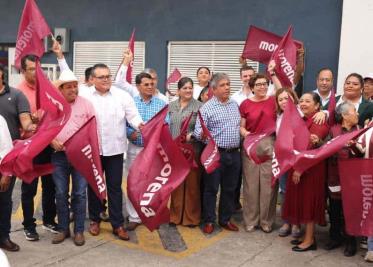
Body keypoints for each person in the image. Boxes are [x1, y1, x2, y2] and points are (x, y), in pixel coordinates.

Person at [80, 63, 143, 241]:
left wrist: (141, 125)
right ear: (92, 79)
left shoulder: (122, 96)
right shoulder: (84, 96)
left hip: (115, 150)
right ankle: (95, 219)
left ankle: (117, 224)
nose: (107, 79)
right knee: (95, 186)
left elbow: (133, 116)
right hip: (93, 150)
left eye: (108, 76)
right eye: (102, 77)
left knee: (114, 188)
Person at [50, 69, 96, 246]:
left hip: (81, 156)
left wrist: (91, 153)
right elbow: (45, 130)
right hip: (59, 156)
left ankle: (78, 231)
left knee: (79, 194)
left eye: (75, 86)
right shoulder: (53, 105)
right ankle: (63, 229)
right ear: (60, 89)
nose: (73, 90)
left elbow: (93, 130)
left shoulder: (86, 104)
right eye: (68, 87)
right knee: (61, 193)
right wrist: (52, 141)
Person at [193, 73, 241, 234]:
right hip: (215, 154)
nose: (227, 87)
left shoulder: (235, 104)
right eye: (223, 85)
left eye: (228, 84)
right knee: (211, 188)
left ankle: (225, 219)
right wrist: (203, 135)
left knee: (230, 188)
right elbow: (199, 132)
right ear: (213, 89)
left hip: (234, 154)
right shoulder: (206, 108)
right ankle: (209, 220)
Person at [17, 55, 58, 241]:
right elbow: (12, 123)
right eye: (32, 69)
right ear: (23, 71)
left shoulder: (48, 88)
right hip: (29, 147)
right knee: (29, 188)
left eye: (38, 68)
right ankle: (28, 225)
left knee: (51, 186)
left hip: (49, 145)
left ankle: (49, 220)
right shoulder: (18, 93)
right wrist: (27, 122)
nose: (37, 72)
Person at [283, 92, 329, 252]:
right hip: (300, 167)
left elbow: (310, 148)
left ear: (317, 105)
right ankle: (308, 237)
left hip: (310, 169)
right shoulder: (303, 120)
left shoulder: (319, 120)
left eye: (308, 101)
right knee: (303, 202)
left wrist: (300, 168)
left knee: (309, 203)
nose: (303, 104)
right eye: (301, 101)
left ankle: (309, 240)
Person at [124, 72, 166, 231]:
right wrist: (129, 133)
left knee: (152, 184)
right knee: (133, 183)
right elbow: (124, 123)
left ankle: (150, 213)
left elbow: (165, 124)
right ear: (138, 86)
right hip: (135, 148)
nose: (150, 87)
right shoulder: (131, 103)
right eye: (146, 84)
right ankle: (134, 216)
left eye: (152, 84)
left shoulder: (161, 104)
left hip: (154, 150)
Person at [0, 64, 35, 251]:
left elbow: (26, 122)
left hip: (7, 159)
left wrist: (33, 126)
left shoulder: (16, 95)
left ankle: (3, 237)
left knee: (4, 200)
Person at [239, 74, 278, 233]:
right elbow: (242, 126)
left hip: (270, 144)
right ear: (252, 87)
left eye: (265, 84)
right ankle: (251, 220)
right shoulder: (245, 104)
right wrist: (246, 134)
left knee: (269, 185)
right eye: (259, 85)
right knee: (251, 186)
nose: (262, 87)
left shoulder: (273, 101)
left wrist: (274, 75)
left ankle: (266, 221)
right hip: (251, 146)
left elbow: (284, 92)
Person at [324, 102, 362, 256]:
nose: (357, 114)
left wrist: (354, 147)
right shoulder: (333, 131)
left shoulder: (360, 130)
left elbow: (364, 152)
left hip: (353, 179)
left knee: (350, 211)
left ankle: (351, 241)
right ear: (345, 115)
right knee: (334, 208)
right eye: (354, 111)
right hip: (335, 176)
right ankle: (334, 238)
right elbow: (325, 149)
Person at [169, 77, 202, 226]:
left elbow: (203, 129)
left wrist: (193, 135)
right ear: (178, 91)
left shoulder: (200, 106)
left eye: (190, 88)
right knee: (176, 183)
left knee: (192, 185)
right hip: (174, 150)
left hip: (192, 150)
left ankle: (191, 218)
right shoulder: (171, 106)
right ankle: (175, 217)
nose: (188, 90)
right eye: (185, 88)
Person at [275, 88, 301, 238]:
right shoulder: (278, 117)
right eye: (281, 99)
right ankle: (286, 221)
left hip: (296, 159)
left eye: (287, 98)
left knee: (296, 192)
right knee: (284, 191)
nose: (284, 101)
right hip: (282, 160)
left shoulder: (300, 115)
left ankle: (296, 223)